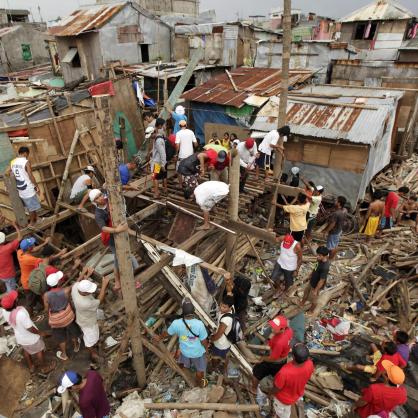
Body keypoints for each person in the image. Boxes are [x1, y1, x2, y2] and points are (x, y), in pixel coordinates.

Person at [154, 299, 208, 387]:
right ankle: (199, 383)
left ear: (183, 311)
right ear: (193, 311)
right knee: (200, 370)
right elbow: (204, 341)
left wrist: (159, 337)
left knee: (182, 362)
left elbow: (166, 333)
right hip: (197, 353)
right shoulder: (199, 324)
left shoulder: (176, 323)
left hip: (185, 352)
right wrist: (206, 351)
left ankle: (183, 369)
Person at [1, 290, 54, 373]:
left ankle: (31, 366)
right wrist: (40, 333)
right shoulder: (21, 313)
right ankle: (45, 367)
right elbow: (30, 328)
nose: (17, 298)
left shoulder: (4, 311)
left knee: (26, 351)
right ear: (15, 302)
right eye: (16, 299)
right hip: (31, 338)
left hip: (20, 338)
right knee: (39, 351)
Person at [89, 189, 130, 291]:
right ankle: (117, 280)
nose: (100, 198)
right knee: (118, 257)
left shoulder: (109, 199)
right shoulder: (98, 214)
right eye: (97, 198)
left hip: (120, 231)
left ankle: (122, 278)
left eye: (100, 195)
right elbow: (103, 228)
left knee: (122, 254)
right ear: (95, 202)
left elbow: (119, 195)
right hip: (110, 236)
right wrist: (117, 229)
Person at [17, 236, 64, 314]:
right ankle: (31, 315)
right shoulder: (30, 259)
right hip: (30, 282)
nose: (34, 245)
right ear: (29, 248)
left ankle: (43, 306)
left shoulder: (20, 252)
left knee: (36, 296)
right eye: (32, 244)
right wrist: (60, 254)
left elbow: (34, 250)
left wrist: (44, 243)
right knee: (30, 302)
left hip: (27, 279)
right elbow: (46, 260)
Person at [72, 273, 110, 362]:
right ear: (84, 293)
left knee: (91, 334)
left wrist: (86, 273)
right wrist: (104, 285)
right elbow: (99, 300)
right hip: (88, 322)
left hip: (82, 317)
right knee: (90, 339)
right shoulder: (85, 303)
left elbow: (78, 281)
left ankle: (94, 343)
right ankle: (93, 353)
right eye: (90, 291)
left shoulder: (75, 287)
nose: (91, 292)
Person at [251, 315, 293, 394]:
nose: (272, 328)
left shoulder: (279, 343)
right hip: (283, 359)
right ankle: (274, 383)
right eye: (272, 326)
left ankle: (253, 389)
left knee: (256, 373)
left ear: (282, 329)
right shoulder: (289, 331)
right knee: (277, 376)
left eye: (274, 328)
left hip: (274, 362)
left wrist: (263, 359)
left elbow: (273, 358)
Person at [44, 271, 80, 361]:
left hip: (56, 320)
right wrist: (83, 274)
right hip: (67, 316)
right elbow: (76, 284)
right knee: (72, 332)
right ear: (58, 282)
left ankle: (64, 354)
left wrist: (49, 318)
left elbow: (46, 309)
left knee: (60, 337)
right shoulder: (66, 290)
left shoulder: (46, 295)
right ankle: (76, 346)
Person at [271, 343, 314, 418]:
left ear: (293, 356)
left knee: (283, 414)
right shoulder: (310, 364)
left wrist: (270, 393)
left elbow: (277, 388)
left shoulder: (284, 372)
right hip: (297, 393)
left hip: (284, 400)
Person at [7, 146, 42, 225]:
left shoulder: (13, 162)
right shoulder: (26, 162)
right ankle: (32, 222)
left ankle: (37, 218)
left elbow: (7, 172)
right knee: (32, 208)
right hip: (28, 188)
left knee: (30, 205)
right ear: (25, 153)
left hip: (20, 188)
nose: (27, 156)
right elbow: (30, 176)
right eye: (28, 154)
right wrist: (37, 187)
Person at [342, 341, 406, 378]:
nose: (382, 345)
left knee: (357, 366)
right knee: (372, 345)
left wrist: (374, 378)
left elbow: (379, 371)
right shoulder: (396, 353)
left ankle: (347, 368)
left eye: (383, 346)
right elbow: (404, 364)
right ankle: (367, 355)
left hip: (376, 368)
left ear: (385, 352)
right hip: (380, 359)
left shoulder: (384, 359)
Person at [300, 246, 330, 314]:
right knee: (306, 292)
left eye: (319, 255)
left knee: (314, 299)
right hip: (312, 281)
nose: (317, 256)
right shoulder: (319, 260)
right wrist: (311, 274)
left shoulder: (325, 267)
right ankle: (302, 303)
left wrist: (316, 290)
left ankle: (311, 311)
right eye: (317, 254)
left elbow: (322, 280)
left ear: (324, 256)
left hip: (317, 285)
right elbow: (315, 266)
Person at [210, 294, 235, 370]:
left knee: (215, 357)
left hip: (220, 344)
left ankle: (214, 367)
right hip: (227, 342)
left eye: (224, 307)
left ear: (230, 307)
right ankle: (223, 367)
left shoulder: (225, 320)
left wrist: (211, 339)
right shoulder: (232, 310)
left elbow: (219, 335)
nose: (221, 308)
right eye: (221, 305)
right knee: (224, 356)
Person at [0, 221, 21, 292]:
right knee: (11, 290)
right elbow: (19, 237)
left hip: (1, 274)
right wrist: (15, 226)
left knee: (7, 284)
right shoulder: (7, 248)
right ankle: (12, 300)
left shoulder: (7, 248)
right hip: (8, 275)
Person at [323, 195, 346, 259]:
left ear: (339, 203)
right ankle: (332, 257)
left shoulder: (336, 213)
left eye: (336, 200)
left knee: (330, 247)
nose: (335, 201)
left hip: (334, 232)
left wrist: (326, 231)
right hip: (339, 230)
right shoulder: (344, 210)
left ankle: (330, 259)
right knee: (335, 245)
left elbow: (332, 224)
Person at [175, 119, 198, 185]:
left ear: (179, 126)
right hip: (190, 155)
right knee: (190, 168)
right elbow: (196, 144)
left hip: (182, 155)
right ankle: (191, 183)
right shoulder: (191, 132)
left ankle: (180, 185)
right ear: (186, 125)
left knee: (179, 170)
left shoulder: (178, 133)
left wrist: (176, 154)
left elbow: (177, 145)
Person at [150, 127, 167, 199]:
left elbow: (162, 153)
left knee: (154, 178)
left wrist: (163, 164)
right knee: (163, 176)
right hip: (161, 162)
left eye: (150, 135)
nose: (150, 137)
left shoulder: (158, 141)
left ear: (153, 133)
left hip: (157, 163)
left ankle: (156, 193)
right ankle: (165, 190)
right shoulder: (159, 137)